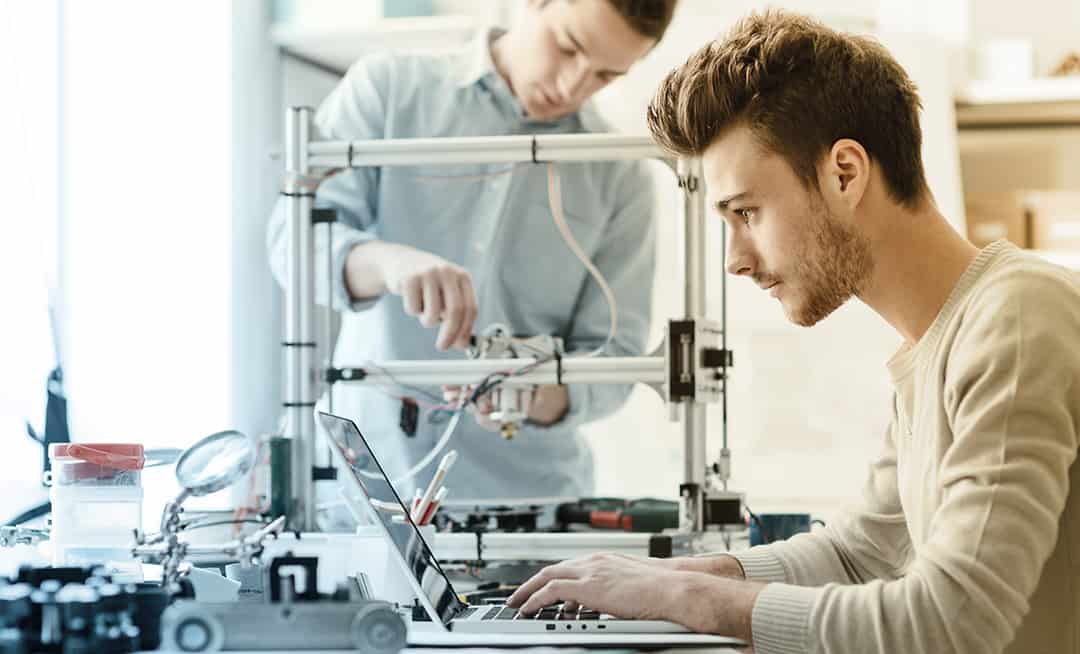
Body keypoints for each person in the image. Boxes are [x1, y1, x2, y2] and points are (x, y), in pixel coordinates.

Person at [506, 10, 1080, 654]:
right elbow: (864, 551)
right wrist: (673, 576)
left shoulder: (1018, 317)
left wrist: (688, 600)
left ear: (845, 173)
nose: (735, 258)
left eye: (746, 211)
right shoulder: (937, 341)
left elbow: (954, 620)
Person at [267, 0, 677, 499]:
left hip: (530, 510)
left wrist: (531, 394)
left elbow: (614, 358)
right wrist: (388, 262)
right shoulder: (389, 88)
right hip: (368, 488)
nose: (573, 86)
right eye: (568, 47)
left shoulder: (620, 172)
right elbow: (294, 241)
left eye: (606, 75)